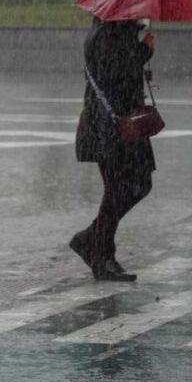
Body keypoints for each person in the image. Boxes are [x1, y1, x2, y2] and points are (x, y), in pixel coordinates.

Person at [71, 19, 156, 282]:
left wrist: (139, 53)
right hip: (110, 126)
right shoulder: (108, 35)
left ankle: (93, 242)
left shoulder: (113, 32)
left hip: (120, 124)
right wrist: (143, 52)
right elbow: (114, 74)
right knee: (121, 188)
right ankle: (100, 252)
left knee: (135, 185)